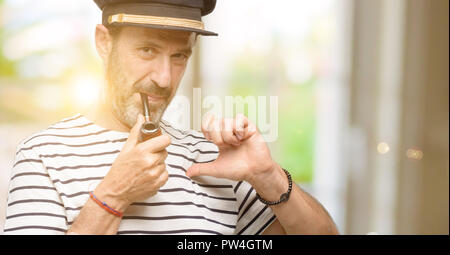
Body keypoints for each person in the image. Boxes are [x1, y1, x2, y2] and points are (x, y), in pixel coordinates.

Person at [3, 0, 338, 235]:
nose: (164, 78)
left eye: (179, 55)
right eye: (147, 50)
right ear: (104, 42)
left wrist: (268, 175)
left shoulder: (215, 159)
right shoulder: (44, 156)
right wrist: (113, 196)